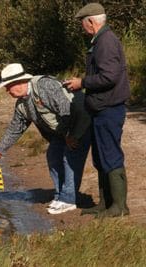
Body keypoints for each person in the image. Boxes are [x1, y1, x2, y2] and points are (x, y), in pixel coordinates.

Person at [0, 63, 90, 215]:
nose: (7, 91)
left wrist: (70, 135)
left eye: (8, 86)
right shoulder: (22, 104)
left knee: (70, 158)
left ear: (20, 82)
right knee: (53, 156)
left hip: (80, 121)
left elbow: (67, 109)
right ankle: (60, 195)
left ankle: (69, 200)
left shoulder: (44, 86)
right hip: (62, 131)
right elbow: (15, 129)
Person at [64, 3, 130, 217]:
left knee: (110, 155)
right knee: (101, 157)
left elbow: (109, 76)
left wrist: (81, 82)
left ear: (91, 22)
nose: (83, 29)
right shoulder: (102, 40)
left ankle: (119, 207)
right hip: (102, 108)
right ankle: (105, 204)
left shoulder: (106, 42)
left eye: (83, 25)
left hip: (109, 109)